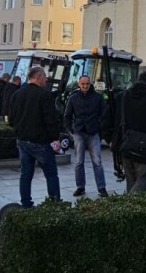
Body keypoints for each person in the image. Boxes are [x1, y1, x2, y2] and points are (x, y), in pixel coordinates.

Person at [104, 70, 146, 193]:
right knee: (145, 177)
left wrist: (110, 139)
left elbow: (106, 120)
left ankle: (129, 210)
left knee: (131, 180)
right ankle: (129, 207)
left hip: (125, 145)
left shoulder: (122, 96)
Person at [8, 67, 61, 208]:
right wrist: (55, 138)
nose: (46, 79)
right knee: (51, 174)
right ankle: (55, 203)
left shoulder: (17, 94)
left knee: (25, 174)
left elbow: (11, 119)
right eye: (44, 76)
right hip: (40, 142)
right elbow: (50, 119)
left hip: (22, 140)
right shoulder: (45, 95)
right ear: (38, 76)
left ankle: (26, 203)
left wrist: (19, 130)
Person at [64, 76, 108, 197]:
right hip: (79, 132)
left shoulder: (98, 98)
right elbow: (67, 115)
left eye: (87, 84)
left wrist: (101, 130)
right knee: (79, 162)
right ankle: (80, 187)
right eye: (83, 84)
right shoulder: (73, 98)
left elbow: (104, 115)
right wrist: (71, 131)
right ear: (79, 84)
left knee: (97, 162)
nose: (85, 86)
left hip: (93, 132)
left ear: (90, 84)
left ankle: (101, 187)